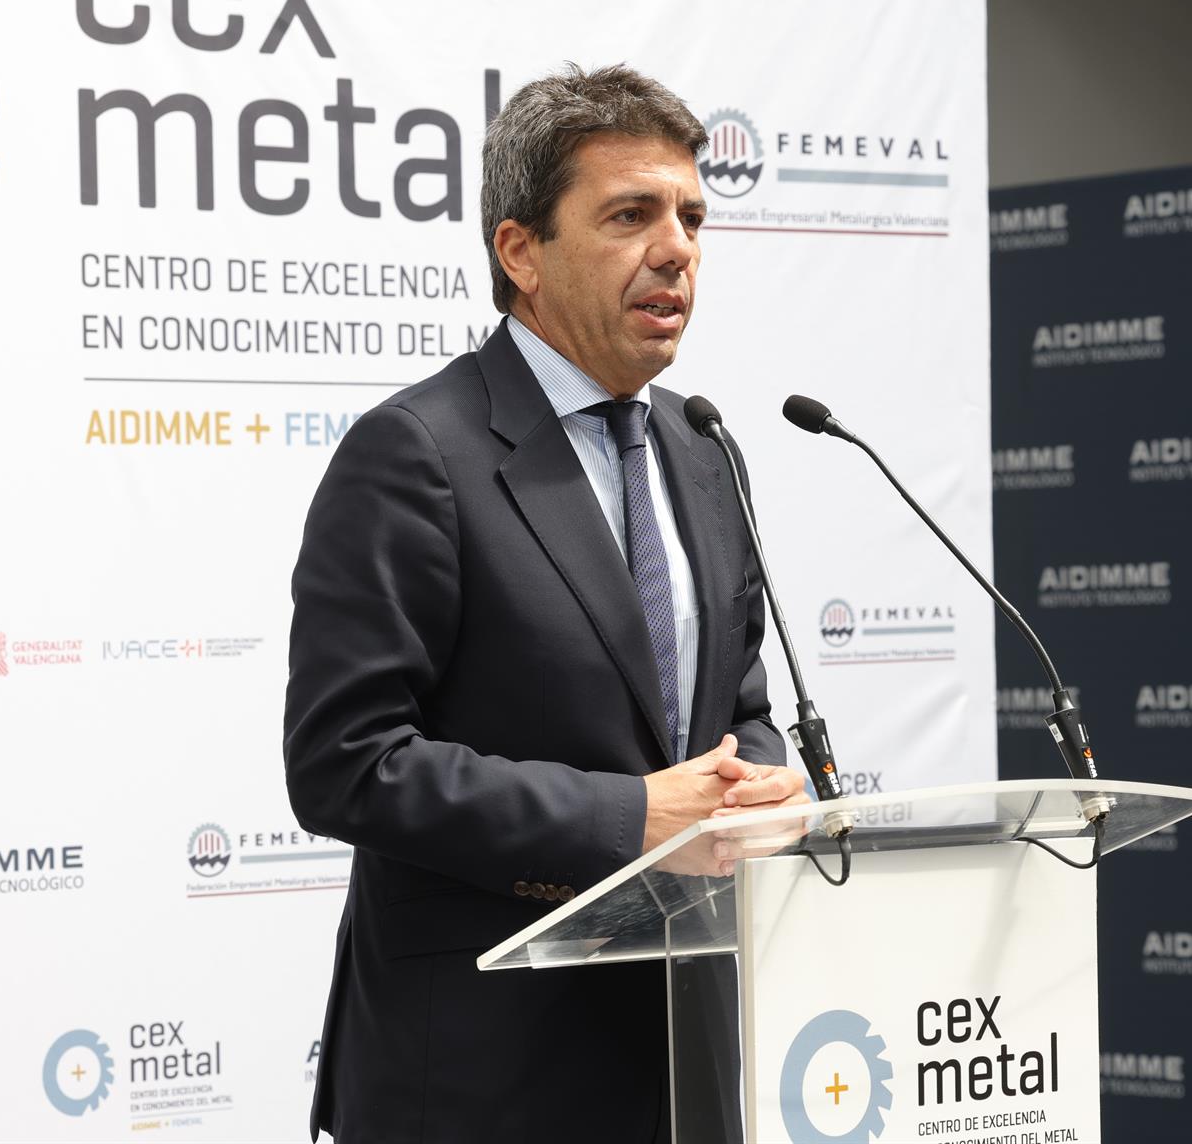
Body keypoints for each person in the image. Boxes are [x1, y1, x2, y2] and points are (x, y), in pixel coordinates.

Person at [284, 63, 809, 1144]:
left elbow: (734, 706)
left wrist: (751, 781)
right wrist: (630, 817)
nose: (677, 248)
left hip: (685, 1062)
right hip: (483, 1075)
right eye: (631, 215)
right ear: (520, 251)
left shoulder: (700, 449)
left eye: (692, 217)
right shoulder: (418, 453)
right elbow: (345, 762)